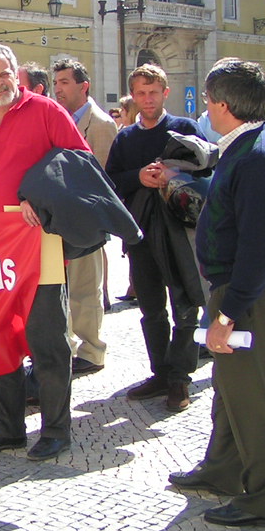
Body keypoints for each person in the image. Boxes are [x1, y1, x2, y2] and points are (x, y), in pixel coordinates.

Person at [169, 59, 265, 527]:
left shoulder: (257, 157)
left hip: (249, 294)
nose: (205, 108)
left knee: (256, 398)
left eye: (208, 101)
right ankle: (224, 469)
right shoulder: (252, 143)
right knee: (232, 389)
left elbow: (258, 247)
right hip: (244, 288)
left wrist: (230, 312)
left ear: (224, 105)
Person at [0, 43, 91, 461]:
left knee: (47, 340)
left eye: (4, 74)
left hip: (41, 245)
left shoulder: (47, 112)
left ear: (17, 74)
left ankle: (55, 430)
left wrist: (39, 194)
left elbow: (79, 164)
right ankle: (7, 429)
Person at [105, 64, 206, 412]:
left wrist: (171, 174)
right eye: (141, 93)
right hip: (141, 232)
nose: (147, 99)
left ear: (166, 93)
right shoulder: (126, 138)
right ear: (133, 96)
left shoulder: (184, 129)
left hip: (180, 230)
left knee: (185, 303)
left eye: (153, 92)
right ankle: (160, 371)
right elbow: (112, 180)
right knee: (150, 307)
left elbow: (207, 170)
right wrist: (140, 176)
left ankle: (180, 377)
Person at [51, 58, 118, 375]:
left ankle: (92, 350)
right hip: (58, 221)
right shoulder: (55, 118)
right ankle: (69, 345)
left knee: (86, 289)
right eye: (56, 83)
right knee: (63, 289)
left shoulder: (101, 124)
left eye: (65, 82)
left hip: (87, 221)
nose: (58, 89)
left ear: (83, 85)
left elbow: (101, 176)